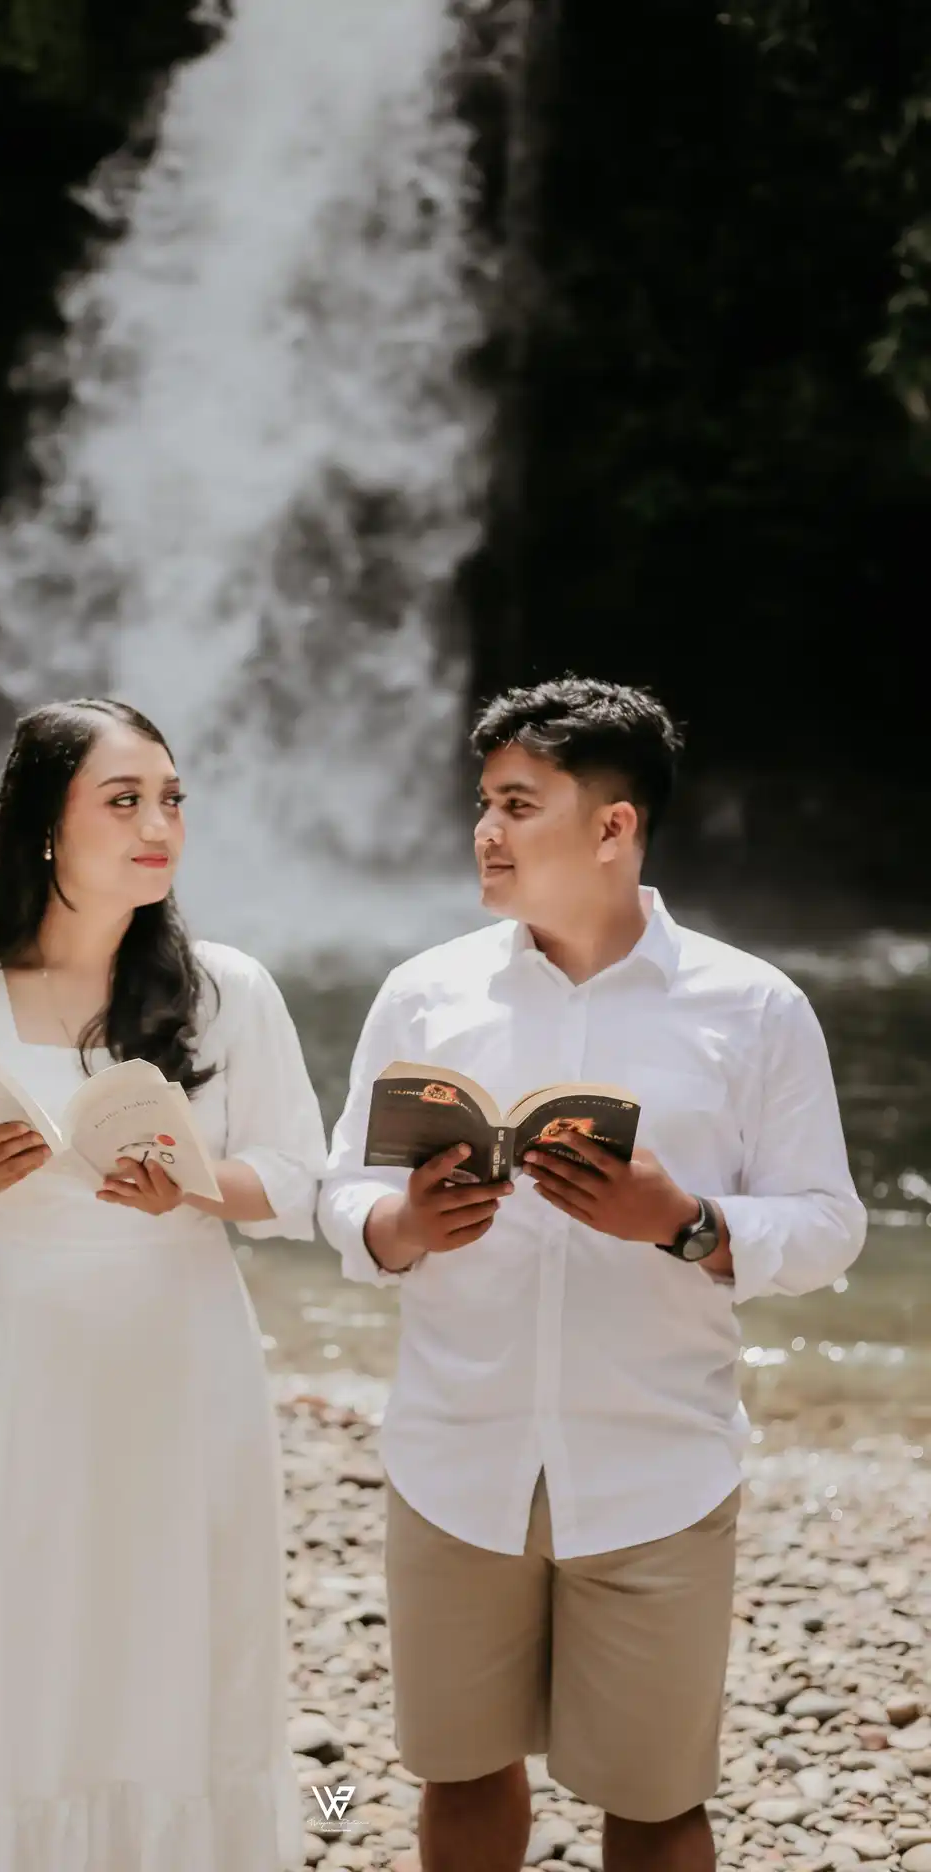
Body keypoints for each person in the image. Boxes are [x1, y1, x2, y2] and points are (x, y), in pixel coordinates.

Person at [319, 677, 866, 1872]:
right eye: (483, 803)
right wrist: (406, 1223)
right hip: (454, 1457)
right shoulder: (424, 993)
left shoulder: (755, 1008)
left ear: (614, 827)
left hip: (656, 1466)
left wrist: (683, 1222)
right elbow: (339, 1194)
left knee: (656, 1804)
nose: (486, 832)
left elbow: (831, 1226)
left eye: (519, 806)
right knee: (462, 1776)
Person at [0, 698, 327, 1872]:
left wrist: (194, 1186)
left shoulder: (229, 991)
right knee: (13, 1610)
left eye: (172, 799)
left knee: (180, 1614)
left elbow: (296, 1180)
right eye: (124, 801)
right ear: (45, 827)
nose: (159, 825)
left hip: (183, 1343)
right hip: (17, 1351)